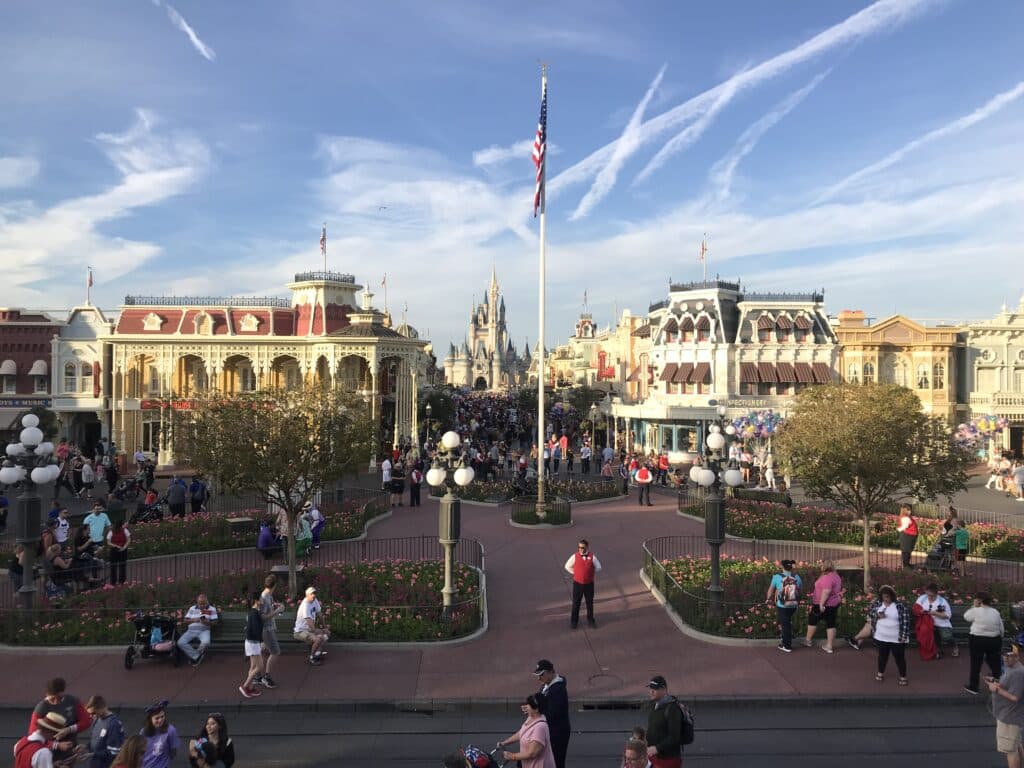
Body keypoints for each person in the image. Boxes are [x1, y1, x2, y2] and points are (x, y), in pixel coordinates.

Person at [29, 677, 91, 763]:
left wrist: (69, 730)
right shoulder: (41, 708)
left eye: (59, 698)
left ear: (63, 693)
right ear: (46, 695)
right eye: (52, 699)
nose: (56, 702)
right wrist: (56, 745)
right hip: (47, 753)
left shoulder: (72, 701)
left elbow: (87, 720)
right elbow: (33, 734)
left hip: (69, 751)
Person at [988, 644, 1024, 768]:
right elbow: (1010, 688)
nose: (1005, 658)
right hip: (1010, 715)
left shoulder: (1017, 673)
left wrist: (996, 689)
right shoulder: (1012, 669)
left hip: (1009, 717)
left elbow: (1015, 697)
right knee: (1016, 745)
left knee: (1010, 751)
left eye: (1009, 656)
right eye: (1004, 655)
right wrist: (997, 682)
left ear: (1017, 656)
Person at [498, 694, 556, 768]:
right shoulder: (531, 717)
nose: (525, 706)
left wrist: (512, 756)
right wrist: (504, 743)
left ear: (536, 709)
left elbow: (532, 753)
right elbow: (522, 732)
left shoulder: (540, 727)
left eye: (528, 705)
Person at [869, 584, 911, 685]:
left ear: (892, 596)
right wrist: (877, 615)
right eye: (884, 596)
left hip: (896, 637)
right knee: (882, 656)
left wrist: (904, 636)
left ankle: (903, 676)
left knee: (899, 657)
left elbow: (906, 622)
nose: (886, 598)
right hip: (881, 636)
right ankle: (880, 673)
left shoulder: (900, 606)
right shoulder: (878, 604)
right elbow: (871, 614)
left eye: (888, 596)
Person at [965, 591, 1005, 695]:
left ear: (978, 600)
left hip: (977, 639)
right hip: (994, 639)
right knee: (995, 661)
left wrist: (974, 606)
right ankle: (998, 682)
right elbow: (1001, 628)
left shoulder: (976, 610)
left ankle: (973, 687)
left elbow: (966, 617)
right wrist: (999, 638)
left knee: (976, 663)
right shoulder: (995, 612)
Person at [534, 659, 570, 768]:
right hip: (548, 731)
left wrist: (536, 716)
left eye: (541, 674)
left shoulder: (558, 690)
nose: (539, 678)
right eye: (538, 675)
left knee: (556, 762)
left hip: (557, 733)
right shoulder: (546, 686)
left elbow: (553, 713)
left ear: (550, 672)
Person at [803, 561, 842, 653]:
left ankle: (808, 640)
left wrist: (821, 604)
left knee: (812, 620)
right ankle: (829, 645)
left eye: (821, 565)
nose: (820, 566)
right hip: (833, 604)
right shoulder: (836, 576)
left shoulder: (827, 577)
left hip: (822, 604)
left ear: (825, 566)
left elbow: (826, 591)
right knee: (831, 623)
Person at [644, 675, 682, 768]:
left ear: (664, 689)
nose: (651, 691)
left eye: (655, 689)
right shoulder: (654, 705)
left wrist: (657, 748)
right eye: (650, 688)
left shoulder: (672, 709)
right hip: (653, 757)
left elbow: (675, 737)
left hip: (668, 759)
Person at [564, 539, 602, 629]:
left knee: (589, 603)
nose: (580, 549)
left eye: (582, 547)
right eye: (579, 547)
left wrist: (590, 573)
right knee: (576, 603)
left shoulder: (593, 557)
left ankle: (591, 621)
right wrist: (575, 573)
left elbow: (599, 567)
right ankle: (574, 622)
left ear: (587, 547)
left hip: (589, 584)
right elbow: (567, 566)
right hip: (578, 584)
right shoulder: (575, 556)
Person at [766, 560, 802, 653]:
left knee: (785, 624)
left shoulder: (777, 577)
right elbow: (800, 588)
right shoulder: (797, 577)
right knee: (787, 622)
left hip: (782, 605)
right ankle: (785, 639)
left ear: (782, 567)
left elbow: (771, 590)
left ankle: (787, 645)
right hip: (793, 604)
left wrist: (768, 599)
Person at [916, 582, 958, 659]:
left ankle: (954, 645)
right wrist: (920, 611)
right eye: (928, 595)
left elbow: (948, 615)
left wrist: (935, 613)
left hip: (942, 624)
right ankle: (937, 650)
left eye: (932, 596)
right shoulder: (922, 598)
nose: (930, 597)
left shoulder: (942, 601)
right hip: (927, 624)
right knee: (928, 634)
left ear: (936, 593)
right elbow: (916, 609)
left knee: (946, 637)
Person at [177, 594, 219, 666]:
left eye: (204, 603)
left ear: (207, 602)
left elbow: (215, 622)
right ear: (197, 602)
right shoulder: (192, 608)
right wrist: (193, 620)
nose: (202, 605)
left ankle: (195, 656)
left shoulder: (212, 609)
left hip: (204, 630)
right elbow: (185, 620)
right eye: (200, 604)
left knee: (206, 642)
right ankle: (196, 656)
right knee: (180, 642)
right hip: (191, 630)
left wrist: (207, 622)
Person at [85, 695, 125, 768]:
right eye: (89, 714)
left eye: (93, 713)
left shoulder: (114, 724)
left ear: (102, 708)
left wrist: (94, 754)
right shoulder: (96, 720)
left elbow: (114, 751)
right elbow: (97, 741)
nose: (91, 716)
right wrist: (85, 746)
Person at [293, 586, 330, 665]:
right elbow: (310, 623)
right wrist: (319, 631)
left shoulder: (314, 600)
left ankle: (317, 653)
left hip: (309, 629)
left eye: (314, 593)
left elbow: (320, 614)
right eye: (311, 594)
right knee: (318, 638)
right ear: (307, 595)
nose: (313, 595)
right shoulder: (305, 605)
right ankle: (312, 658)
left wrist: (325, 627)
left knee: (326, 633)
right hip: (301, 631)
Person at [258, 575, 283, 689]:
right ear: (275, 585)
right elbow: (262, 617)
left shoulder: (269, 596)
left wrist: (276, 607)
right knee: (276, 652)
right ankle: (266, 677)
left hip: (269, 628)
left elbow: (269, 609)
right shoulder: (263, 597)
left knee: (263, 652)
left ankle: (257, 676)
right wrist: (277, 611)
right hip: (266, 629)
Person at [239, 593, 265, 699]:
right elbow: (255, 629)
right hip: (253, 643)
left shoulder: (253, 612)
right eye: (261, 599)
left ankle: (250, 687)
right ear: (256, 601)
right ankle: (245, 686)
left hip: (250, 642)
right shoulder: (255, 613)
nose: (263, 601)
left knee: (253, 667)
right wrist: (261, 641)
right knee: (260, 666)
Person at [140, 701, 179, 768]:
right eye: (157, 718)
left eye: (162, 716)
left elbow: (173, 751)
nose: (160, 720)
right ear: (150, 719)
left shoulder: (170, 730)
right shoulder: (143, 732)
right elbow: (139, 751)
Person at [106, 519, 130, 585]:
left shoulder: (125, 530)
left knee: (122, 567)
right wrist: (115, 546)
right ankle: (113, 582)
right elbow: (108, 542)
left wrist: (125, 547)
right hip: (114, 551)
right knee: (113, 567)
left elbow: (128, 539)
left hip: (123, 550)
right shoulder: (111, 532)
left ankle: (122, 581)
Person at [897, 504, 918, 568]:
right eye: (908, 510)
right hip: (908, 536)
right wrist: (899, 529)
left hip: (910, 535)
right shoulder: (906, 518)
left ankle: (906, 564)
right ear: (904, 510)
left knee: (907, 550)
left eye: (910, 510)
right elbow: (905, 526)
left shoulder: (906, 517)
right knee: (906, 550)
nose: (910, 511)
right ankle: (906, 565)